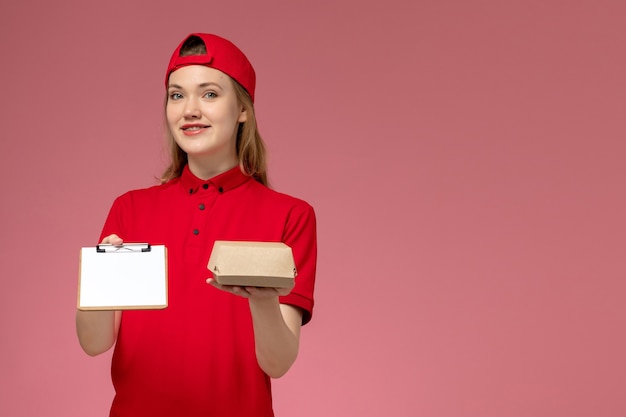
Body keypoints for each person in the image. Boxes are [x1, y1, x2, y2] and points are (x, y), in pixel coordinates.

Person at [75, 33, 317, 417]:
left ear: (243, 110)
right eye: (176, 95)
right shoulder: (129, 209)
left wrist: (263, 299)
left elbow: (278, 363)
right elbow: (94, 343)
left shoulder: (290, 215)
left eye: (209, 94)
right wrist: (99, 278)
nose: (189, 110)